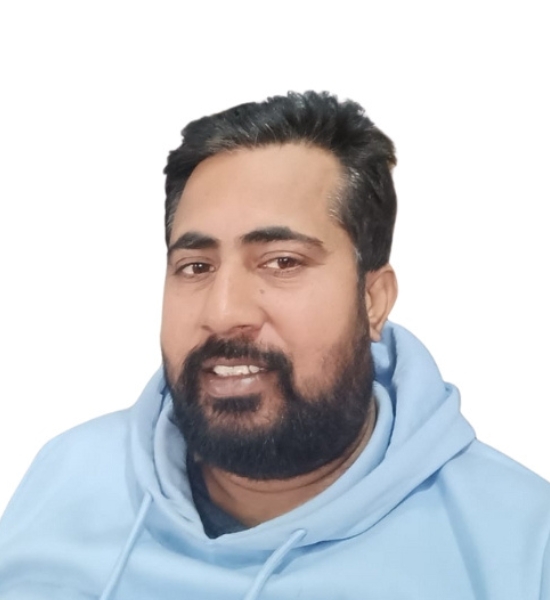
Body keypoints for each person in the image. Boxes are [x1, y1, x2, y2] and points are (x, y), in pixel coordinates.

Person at [0, 91, 548, 600]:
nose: (223, 313)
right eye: (196, 267)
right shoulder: (67, 476)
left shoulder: (522, 544)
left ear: (373, 301)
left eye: (282, 262)